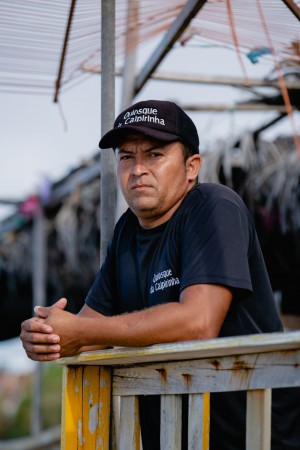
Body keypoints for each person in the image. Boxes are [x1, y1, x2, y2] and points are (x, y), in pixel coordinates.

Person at [20, 100, 299, 450]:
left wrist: (79, 330)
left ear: (191, 166)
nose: (137, 169)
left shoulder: (214, 207)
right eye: (126, 157)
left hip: (257, 435)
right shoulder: (127, 232)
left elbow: (198, 324)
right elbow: (86, 330)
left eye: (154, 155)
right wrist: (47, 335)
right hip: (177, 436)